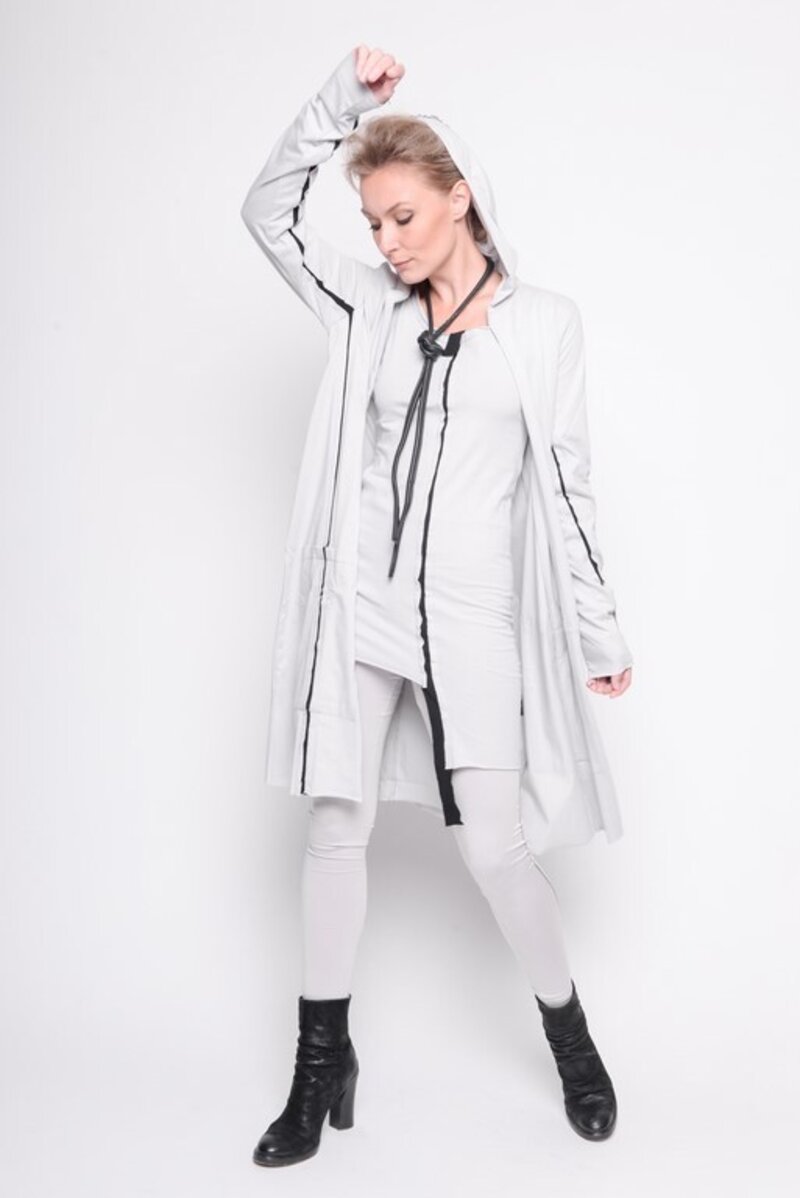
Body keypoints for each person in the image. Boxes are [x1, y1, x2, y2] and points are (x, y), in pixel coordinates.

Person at [241, 44, 634, 1168]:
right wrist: (338, 102)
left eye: (403, 216)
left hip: (471, 616)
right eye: (373, 223)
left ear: (460, 198)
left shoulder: (544, 325)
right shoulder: (365, 308)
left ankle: (569, 1037)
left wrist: (598, 629)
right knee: (335, 824)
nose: (386, 242)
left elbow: (565, 487)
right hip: (361, 607)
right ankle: (320, 1064)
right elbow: (265, 215)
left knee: (496, 849)